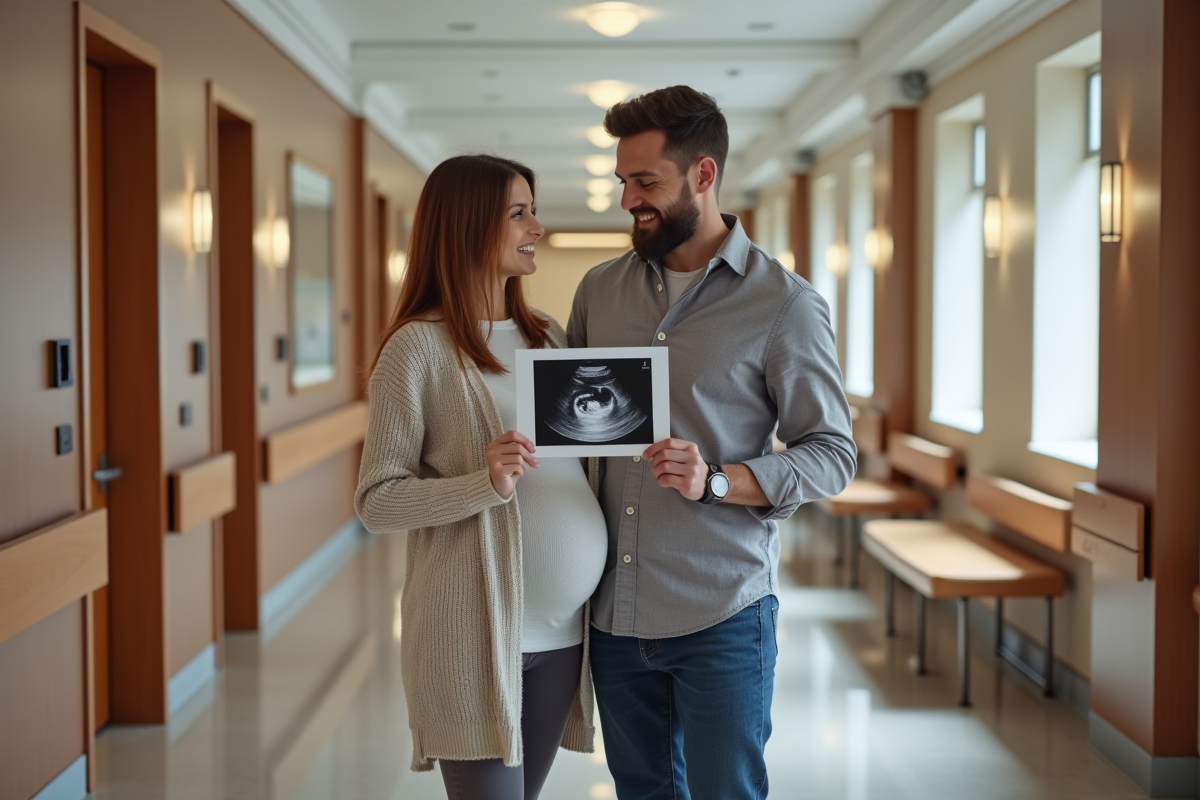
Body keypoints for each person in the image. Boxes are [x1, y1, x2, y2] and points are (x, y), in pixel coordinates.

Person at [567, 86, 856, 799]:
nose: (628, 199)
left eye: (645, 183)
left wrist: (718, 480)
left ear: (703, 174)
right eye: (622, 182)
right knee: (643, 790)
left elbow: (832, 453)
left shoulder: (785, 304)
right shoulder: (598, 293)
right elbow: (569, 435)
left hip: (722, 614)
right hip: (613, 611)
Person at [355, 154, 607, 800]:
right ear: (467, 226)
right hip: (472, 638)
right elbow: (377, 502)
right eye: (519, 213)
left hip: (562, 637)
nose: (537, 227)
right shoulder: (416, 350)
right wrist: (482, 483)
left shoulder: (546, 334)